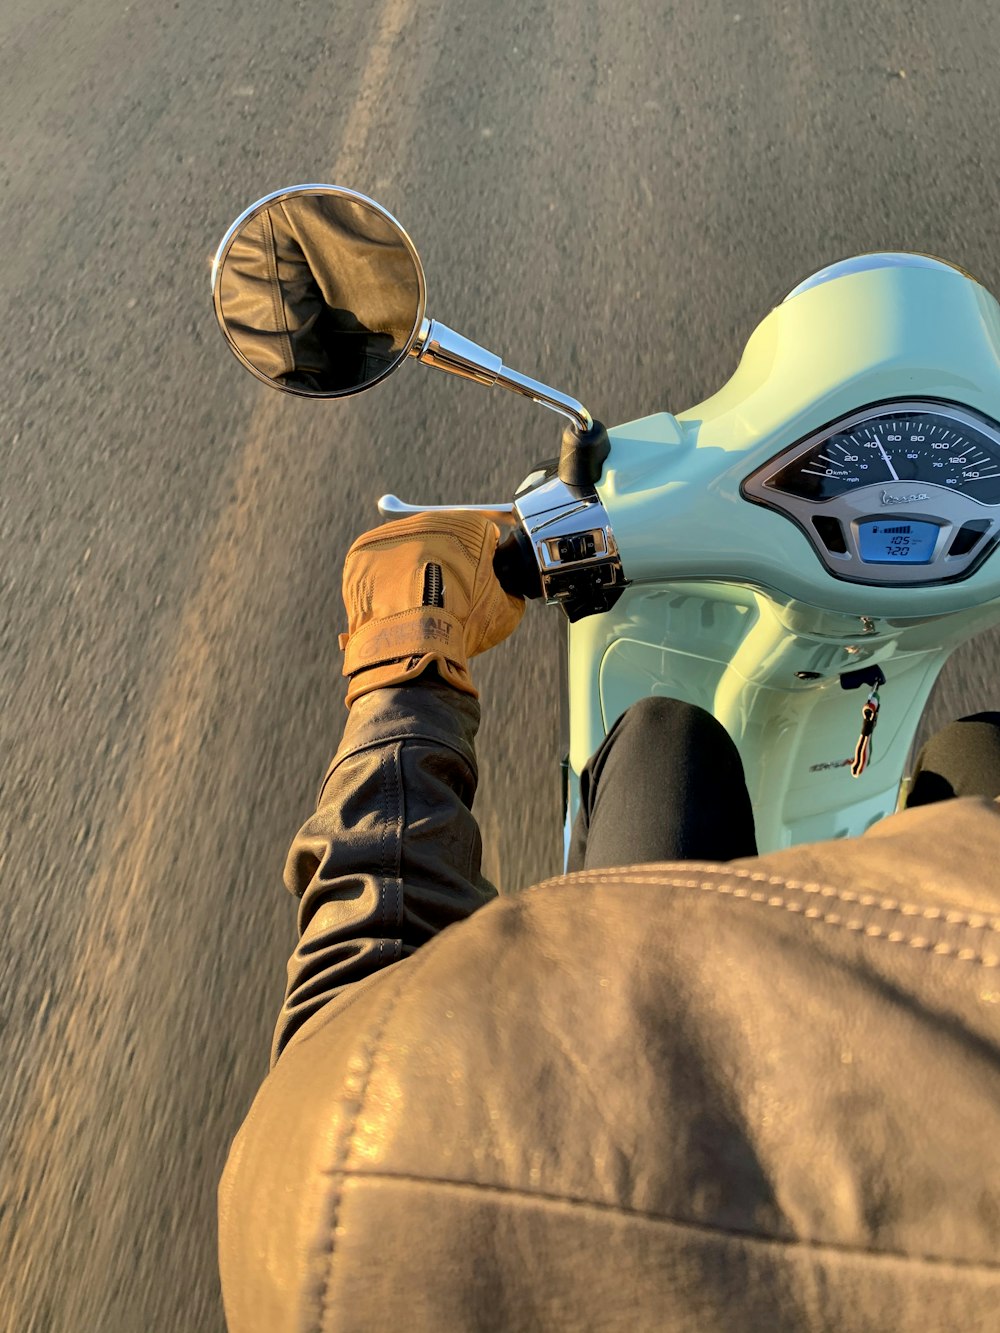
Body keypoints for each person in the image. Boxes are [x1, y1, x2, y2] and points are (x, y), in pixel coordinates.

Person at [218, 513, 1000, 1332]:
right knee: (682, 744)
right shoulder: (317, 1225)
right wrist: (404, 676)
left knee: (679, 744)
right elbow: (361, 964)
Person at [217, 194, 420, 392]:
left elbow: (286, 373)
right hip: (396, 353)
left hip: (384, 361)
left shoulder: (273, 212)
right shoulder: (274, 213)